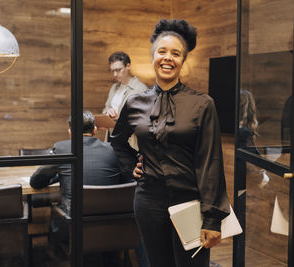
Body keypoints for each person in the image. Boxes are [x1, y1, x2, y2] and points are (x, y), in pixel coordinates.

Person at [110, 18, 230, 267]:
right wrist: (132, 165)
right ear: (153, 56)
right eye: (162, 51)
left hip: (190, 202)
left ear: (183, 61)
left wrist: (212, 219)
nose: (168, 58)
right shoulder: (134, 103)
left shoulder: (202, 104)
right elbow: (118, 141)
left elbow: (211, 162)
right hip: (148, 200)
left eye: (175, 53)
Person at [30, 110, 125, 240]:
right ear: (95, 130)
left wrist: (59, 175)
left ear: (70, 132)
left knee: (55, 209)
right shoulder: (112, 149)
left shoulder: (61, 148)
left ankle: (58, 252)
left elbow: (36, 181)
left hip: (75, 224)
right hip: (111, 221)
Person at [102, 51, 148, 121]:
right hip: (111, 131)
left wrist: (121, 118)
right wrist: (107, 111)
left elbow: (145, 117)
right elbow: (106, 109)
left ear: (128, 66)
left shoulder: (141, 89)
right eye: (112, 71)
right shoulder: (114, 87)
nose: (115, 74)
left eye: (118, 70)